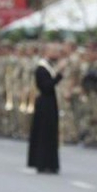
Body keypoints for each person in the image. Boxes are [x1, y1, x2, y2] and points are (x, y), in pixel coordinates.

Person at [27, 45, 65, 173]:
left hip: (50, 103)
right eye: (54, 51)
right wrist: (58, 75)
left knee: (50, 133)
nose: (56, 54)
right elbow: (46, 87)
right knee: (44, 133)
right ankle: (42, 162)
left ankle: (50, 163)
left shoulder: (49, 67)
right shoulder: (41, 68)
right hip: (44, 104)